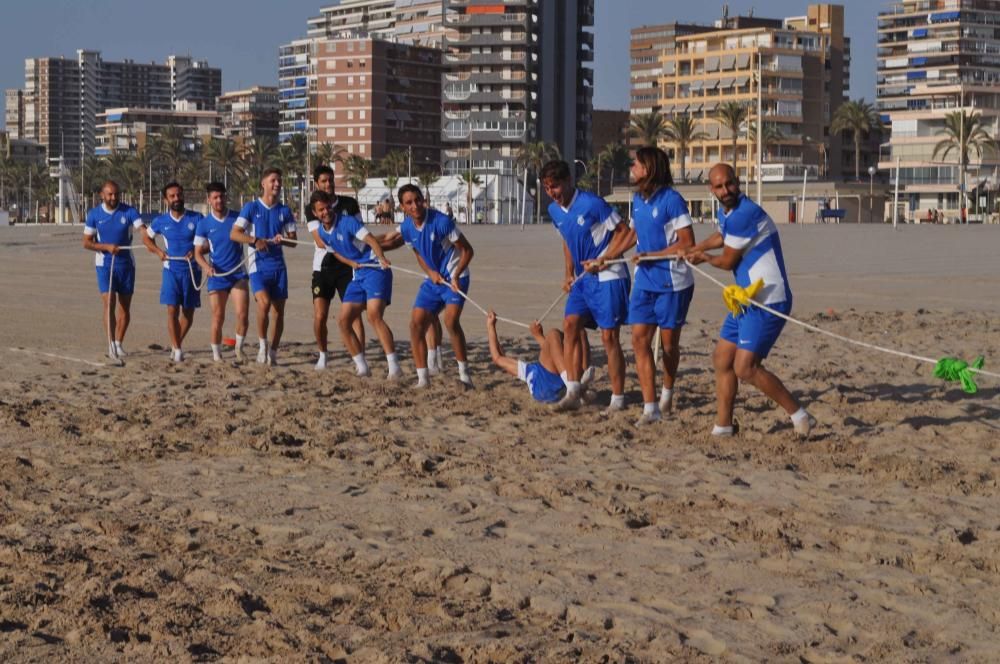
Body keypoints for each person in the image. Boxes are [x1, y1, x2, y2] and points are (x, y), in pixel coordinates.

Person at [685, 163, 815, 438]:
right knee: (722, 358)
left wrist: (703, 258)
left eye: (729, 184)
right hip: (745, 299)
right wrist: (696, 247)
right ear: (712, 189)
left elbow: (728, 259)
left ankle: (799, 415)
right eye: (719, 187)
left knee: (745, 367)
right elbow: (723, 236)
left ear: (738, 181)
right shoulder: (728, 213)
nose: (725, 191)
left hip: (768, 299)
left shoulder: (745, 212)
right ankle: (723, 426)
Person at [541, 160, 634, 412]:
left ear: (569, 181)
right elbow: (567, 241)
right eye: (548, 188)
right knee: (570, 324)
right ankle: (572, 390)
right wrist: (568, 273)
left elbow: (626, 233)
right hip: (583, 280)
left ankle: (617, 399)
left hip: (609, 276)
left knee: (609, 337)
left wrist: (606, 259)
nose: (553, 193)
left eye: (556, 186)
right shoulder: (554, 211)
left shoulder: (593, 203)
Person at [627, 147, 695, 426]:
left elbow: (687, 242)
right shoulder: (637, 199)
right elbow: (632, 234)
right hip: (644, 281)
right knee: (639, 340)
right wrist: (604, 258)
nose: (632, 167)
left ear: (649, 168)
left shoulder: (672, 200)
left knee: (669, 346)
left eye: (636, 163)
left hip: (673, 282)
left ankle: (667, 390)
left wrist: (651, 256)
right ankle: (650, 407)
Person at [383, 184, 475, 388]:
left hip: (455, 277)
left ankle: (464, 375)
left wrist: (456, 274)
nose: (415, 205)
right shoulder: (407, 227)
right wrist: (430, 273)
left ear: (423, 199)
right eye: (409, 202)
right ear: (402, 207)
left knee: (451, 321)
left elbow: (468, 251)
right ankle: (423, 379)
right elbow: (418, 253)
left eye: (418, 200)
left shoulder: (441, 221)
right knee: (415, 324)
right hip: (433, 281)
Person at [309, 190, 399, 378]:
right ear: (315, 213)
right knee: (343, 321)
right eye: (321, 210)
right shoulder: (322, 233)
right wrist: (350, 263)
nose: (325, 212)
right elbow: (334, 251)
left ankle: (394, 367)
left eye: (327, 207)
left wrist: (381, 257)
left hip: (375, 268)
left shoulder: (348, 222)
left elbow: (371, 239)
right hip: (358, 274)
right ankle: (362, 367)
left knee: (374, 316)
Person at [230, 167, 297, 366]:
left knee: (278, 312)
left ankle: (273, 353)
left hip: (279, 267)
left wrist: (282, 239)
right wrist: (254, 239)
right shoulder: (251, 208)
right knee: (264, 303)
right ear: (264, 183)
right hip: (258, 266)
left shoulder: (285, 211)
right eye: (273, 180)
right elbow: (234, 233)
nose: (277, 184)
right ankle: (262, 346)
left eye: (279, 181)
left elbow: (293, 241)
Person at [306, 165, 365, 371]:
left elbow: (361, 234)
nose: (328, 184)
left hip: (349, 268)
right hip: (323, 267)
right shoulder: (313, 207)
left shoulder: (349, 203)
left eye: (331, 180)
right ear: (317, 183)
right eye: (324, 181)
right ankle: (323, 355)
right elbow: (321, 241)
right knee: (320, 315)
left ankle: (361, 357)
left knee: (354, 315)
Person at [82, 180, 145, 360]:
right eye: (110, 194)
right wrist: (106, 247)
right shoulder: (94, 214)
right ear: (102, 195)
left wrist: (150, 240)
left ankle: (118, 343)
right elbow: (86, 242)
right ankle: (110, 343)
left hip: (126, 265)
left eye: (116, 194)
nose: (113, 197)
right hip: (105, 264)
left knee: (124, 308)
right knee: (109, 302)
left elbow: (142, 229)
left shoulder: (129, 211)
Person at [142, 182, 203, 363]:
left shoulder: (197, 218)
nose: (176, 199)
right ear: (166, 199)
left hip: (193, 271)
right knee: (172, 311)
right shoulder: (161, 221)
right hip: (171, 271)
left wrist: (197, 250)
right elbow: (146, 238)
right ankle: (177, 350)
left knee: (189, 314)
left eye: (179, 195)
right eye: (172, 196)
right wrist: (159, 251)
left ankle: (177, 343)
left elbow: (207, 241)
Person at [194, 181, 249, 362]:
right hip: (217, 276)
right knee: (218, 316)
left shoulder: (237, 217)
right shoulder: (204, 224)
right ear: (209, 200)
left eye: (221, 196)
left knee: (242, 314)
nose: (219, 200)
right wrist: (206, 267)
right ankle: (217, 355)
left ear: (226, 197)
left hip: (237, 274)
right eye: (215, 197)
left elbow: (252, 231)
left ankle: (239, 349)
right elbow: (197, 253)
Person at [486, 311, 594, 403]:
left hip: (554, 385)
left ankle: (578, 385)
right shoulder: (529, 371)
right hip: (548, 387)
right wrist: (491, 327)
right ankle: (576, 385)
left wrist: (491, 326)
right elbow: (498, 358)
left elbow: (498, 358)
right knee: (554, 334)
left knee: (578, 331)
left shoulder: (529, 371)